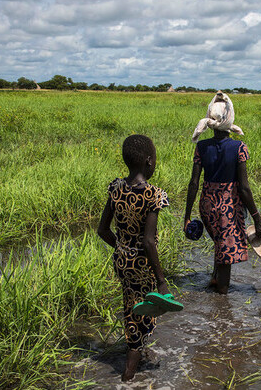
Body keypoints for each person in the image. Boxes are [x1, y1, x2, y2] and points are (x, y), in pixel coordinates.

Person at [97, 134, 172, 381]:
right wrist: (161, 279)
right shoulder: (153, 195)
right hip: (142, 265)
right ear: (149, 161)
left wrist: (121, 248)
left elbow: (102, 230)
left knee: (132, 305)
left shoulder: (116, 188)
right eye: (155, 160)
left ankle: (136, 346)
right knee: (140, 312)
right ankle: (130, 369)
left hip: (122, 261)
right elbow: (149, 241)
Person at [184, 91, 261, 294]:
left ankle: (214, 278)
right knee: (226, 255)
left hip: (208, 207)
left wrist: (186, 216)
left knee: (220, 244)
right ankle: (221, 301)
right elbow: (244, 188)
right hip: (228, 209)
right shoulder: (238, 147)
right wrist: (257, 218)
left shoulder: (202, 147)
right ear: (229, 118)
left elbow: (194, 183)